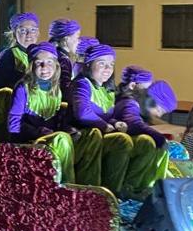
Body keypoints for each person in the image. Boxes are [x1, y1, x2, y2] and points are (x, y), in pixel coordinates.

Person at [7, 43, 75, 184]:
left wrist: (69, 129)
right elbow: (14, 125)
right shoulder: (23, 88)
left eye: (49, 62)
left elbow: (58, 121)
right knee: (62, 140)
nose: (45, 67)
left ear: (56, 66)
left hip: (51, 138)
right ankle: (67, 185)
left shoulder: (57, 89)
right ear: (32, 66)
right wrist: (37, 132)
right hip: (29, 141)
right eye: (39, 63)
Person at [69, 44, 132, 188]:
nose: (108, 68)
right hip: (81, 136)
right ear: (89, 64)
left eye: (111, 64)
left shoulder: (107, 90)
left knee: (140, 142)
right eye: (102, 63)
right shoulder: (82, 84)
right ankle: (90, 189)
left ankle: (118, 190)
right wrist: (104, 126)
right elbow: (82, 113)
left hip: (100, 134)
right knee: (100, 135)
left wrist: (116, 123)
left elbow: (106, 115)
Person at [113, 71, 177, 196]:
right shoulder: (130, 103)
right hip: (119, 145)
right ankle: (133, 186)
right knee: (148, 142)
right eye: (159, 110)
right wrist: (159, 138)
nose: (159, 115)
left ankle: (148, 185)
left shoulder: (139, 107)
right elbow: (133, 123)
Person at [0, 12, 41, 93]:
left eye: (33, 30)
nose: (29, 34)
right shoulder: (9, 55)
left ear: (38, 33)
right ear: (14, 34)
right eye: (23, 30)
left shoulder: (43, 54)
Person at [48, 18, 81, 101]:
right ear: (66, 39)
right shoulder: (63, 60)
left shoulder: (51, 55)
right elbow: (65, 89)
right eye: (77, 37)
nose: (79, 42)